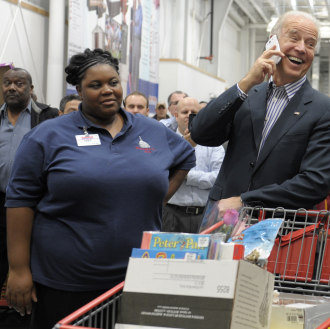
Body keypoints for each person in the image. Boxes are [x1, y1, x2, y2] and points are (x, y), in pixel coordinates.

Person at [4, 48, 196, 329]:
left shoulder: (151, 131)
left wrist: (158, 198)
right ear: (79, 91)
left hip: (138, 276)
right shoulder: (47, 136)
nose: (107, 90)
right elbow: (19, 202)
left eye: (113, 83)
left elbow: (184, 158)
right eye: (95, 85)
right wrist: (18, 269)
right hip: (65, 282)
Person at [190, 10, 330, 213]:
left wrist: (246, 201)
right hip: (222, 220)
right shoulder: (246, 94)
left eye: (310, 43)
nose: (301, 48)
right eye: (294, 37)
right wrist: (244, 83)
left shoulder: (325, 111)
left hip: (280, 230)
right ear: (273, 41)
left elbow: (315, 183)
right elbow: (201, 133)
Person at [0, 68, 58, 305]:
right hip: (0, 201)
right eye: (7, 83)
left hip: (34, 205)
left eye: (19, 83)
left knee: (27, 266)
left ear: (31, 89)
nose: (12, 88)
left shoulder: (47, 117)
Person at [162, 97, 224, 233]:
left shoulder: (214, 145)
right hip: (172, 214)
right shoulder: (165, 142)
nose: (189, 115)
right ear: (176, 115)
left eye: (193, 112)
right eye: (185, 112)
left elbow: (218, 178)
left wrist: (186, 175)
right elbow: (162, 173)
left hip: (204, 216)